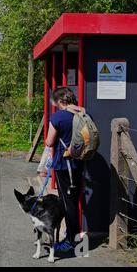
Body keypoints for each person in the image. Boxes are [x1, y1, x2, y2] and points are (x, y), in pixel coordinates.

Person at [45, 87, 84, 253]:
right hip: (80, 163)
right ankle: (72, 235)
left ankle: (71, 241)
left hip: (64, 165)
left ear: (61, 101)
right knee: (73, 200)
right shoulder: (83, 114)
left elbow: (49, 141)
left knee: (68, 204)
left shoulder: (58, 117)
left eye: (56, 103)